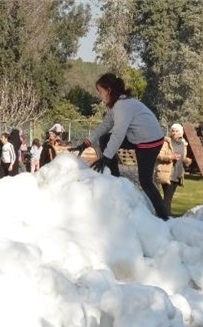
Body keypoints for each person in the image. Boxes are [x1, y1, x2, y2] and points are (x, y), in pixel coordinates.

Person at [69, 73, 169, 220]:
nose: (100, 95)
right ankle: (115, 177)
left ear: (108, 90)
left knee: (146, 182)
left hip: (150, 142)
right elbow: (105, 126)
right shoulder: (116, 105)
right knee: (104, 139)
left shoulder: (123, 106)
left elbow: (118, 134)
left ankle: (164, 217)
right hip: (137, 138)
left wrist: (106, 158)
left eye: (100, 91)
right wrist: (86, 143)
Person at [155, 123, 191, 216]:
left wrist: (186, 161)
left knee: (169, 197)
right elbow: (159, 156)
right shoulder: (166, 142)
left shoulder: (184, 144)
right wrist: (171, 157)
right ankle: (165, 216)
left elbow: (183, 158)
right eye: (173, 130)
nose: (174, 132)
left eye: (176, 131)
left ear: (181, 133)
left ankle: (163, 214)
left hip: (177, 173)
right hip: (167, 173)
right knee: (168, 196)